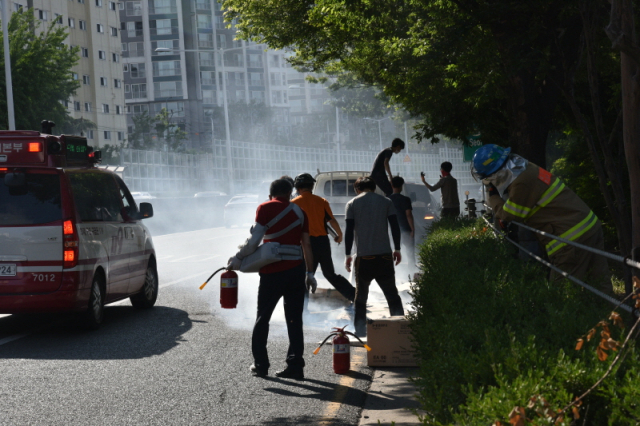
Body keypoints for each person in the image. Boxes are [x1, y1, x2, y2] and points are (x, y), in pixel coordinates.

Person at [471, 144, 612, 294]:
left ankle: (579, 317)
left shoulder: (521, 183)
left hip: (570, 238)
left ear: (496, 174)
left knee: (562, 295)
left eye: (488, 179)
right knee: (600, 285)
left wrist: (493, 197)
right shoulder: (527, 168)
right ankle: (611, 315)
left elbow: (509, 214)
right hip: (588, 226)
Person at [227, 178, 317, 380]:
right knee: (294, 320)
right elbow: (307, 245)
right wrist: (310, 274)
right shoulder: (300, 213)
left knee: (263, 318)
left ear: (271, 194)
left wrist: (238, 258)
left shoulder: (264, 207)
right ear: (290, 194)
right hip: (296, 271)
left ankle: (261, 365)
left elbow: (253, 243)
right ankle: (295, 366)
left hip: (272, 272)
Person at [344, 177, 405, 337]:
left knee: (361, 297)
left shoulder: (352, 204)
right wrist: (397, 249)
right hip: (384, 256)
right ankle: (400, 328)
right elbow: (395, 226)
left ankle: (360, 330)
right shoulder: (386, 202)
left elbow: (349, 231)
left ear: (358, 189)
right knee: (392, 295)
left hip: (364, 258)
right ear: (374, 187)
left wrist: (348, 254)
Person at [291, 173, 356, 303]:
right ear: (312, 186)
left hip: (305, 244)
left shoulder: (293, 204)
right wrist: (339, 235)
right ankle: (355, 295)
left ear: (297, 188)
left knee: (306, 275)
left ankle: (302, 307)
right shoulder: (321, 201)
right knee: (329, 274)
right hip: (322, 243)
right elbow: (331, 220)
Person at [388, 176, 415, 269]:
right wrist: (412, 229)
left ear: (392, 185)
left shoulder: (387, 200)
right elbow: (408, 215)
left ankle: (393, 271)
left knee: (392, 252)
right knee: (410, 252)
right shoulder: (405, 199)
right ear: (401, 186)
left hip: (391, 231)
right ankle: (411, 272)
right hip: (405, 229)